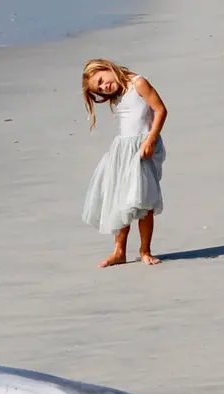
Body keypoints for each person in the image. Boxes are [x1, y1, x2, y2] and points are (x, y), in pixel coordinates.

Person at [80, 58, 168, 268]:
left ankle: (145, 250)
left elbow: (160, 110)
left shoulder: (139, 83)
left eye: (101, 80)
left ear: (106, 67)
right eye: (99, 89)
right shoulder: (117, 95)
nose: (104, 87)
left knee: (143, 201)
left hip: (142, 149)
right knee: (121, 201)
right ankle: (119, 251)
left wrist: (150, 139)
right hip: (121, 151)